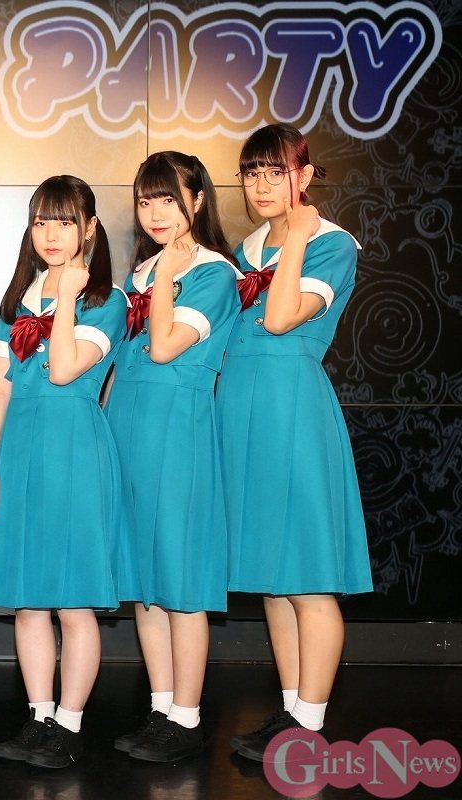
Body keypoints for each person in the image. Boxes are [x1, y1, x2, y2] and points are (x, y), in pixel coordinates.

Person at [217, 124, 372, 762]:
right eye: (252, 173)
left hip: (293, 411)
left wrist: (300, 236)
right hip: (240, 411)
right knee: (272, 579)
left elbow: (280, 318)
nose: (261, 186)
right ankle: (291, 710)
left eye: (275, 172)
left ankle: (309, 724)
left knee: (307, 576)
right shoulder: (245, 249)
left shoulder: (332, 243)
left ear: (304, 177)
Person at [0, 175, 127, 769]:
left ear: (90, 228)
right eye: (41, 222)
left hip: (74, 451)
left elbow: (62, 369)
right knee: (29, 600)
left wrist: (65, 296)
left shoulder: (107, 301)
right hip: (21, 450)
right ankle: (39, 717)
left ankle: (69, 724)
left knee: (73, 601)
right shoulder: (18, 302)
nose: (52, 234)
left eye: (65, 222)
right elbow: (1, 389)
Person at [105, 152, 240, 762]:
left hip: (179, 433)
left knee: (181, 580)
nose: (156, 213)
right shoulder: (143, 273)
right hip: (128, 429)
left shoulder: (213, 274)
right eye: (146, 201)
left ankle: (186, 718)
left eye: (169, 199)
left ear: (198, 199)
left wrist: (162, 277)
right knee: (146, 581)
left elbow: (162, 347)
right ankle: (161, 710)